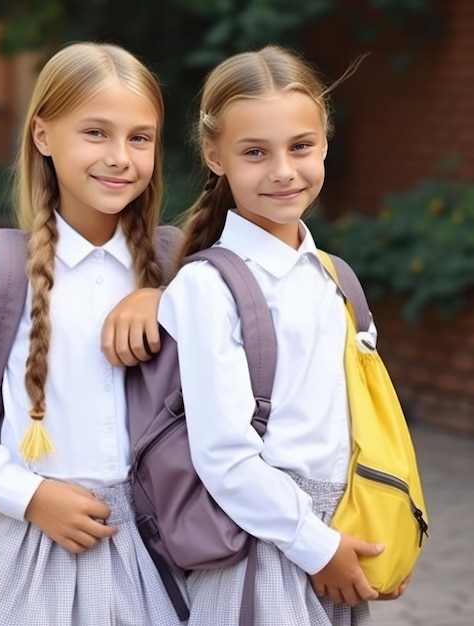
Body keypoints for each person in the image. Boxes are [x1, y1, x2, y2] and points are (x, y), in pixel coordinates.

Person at [0, 42, 186, 626]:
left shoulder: (184, 272)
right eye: (96, 133)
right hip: (34, 548)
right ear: (43, 135)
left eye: (140, 137)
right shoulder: (3, 276)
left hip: (159, 553)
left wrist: (163, 295)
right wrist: (27, 495)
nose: (120, 157)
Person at [157, 45, 408, 626]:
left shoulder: (335, 278)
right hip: (259, 550)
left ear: (325, 141)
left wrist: (381, 535)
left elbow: (360, 431)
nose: (283, 171)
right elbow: (223, 455)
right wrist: (317, 546)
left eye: (301, 146)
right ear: (214, 154)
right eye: (255, 152)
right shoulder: (208, 287)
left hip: (337, 541)